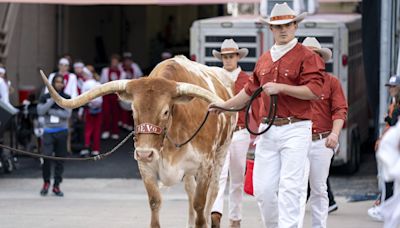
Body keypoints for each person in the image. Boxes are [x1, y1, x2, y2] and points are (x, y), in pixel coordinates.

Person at [209, 3, 325, 227]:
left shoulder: (307, 56)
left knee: (291, 188)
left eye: (288, 25)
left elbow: (314, 91)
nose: (283, 30)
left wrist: (282, 88)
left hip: (296, 128)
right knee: (263, 189)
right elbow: (248, 92)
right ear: (270, 29)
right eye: (278, 26)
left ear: (295, 26)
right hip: (268, 130)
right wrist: (223, 106)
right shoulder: (263, 59)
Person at [298, 37, 348, 228]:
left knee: (319, 188)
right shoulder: (294, 82)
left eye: (314, 55)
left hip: (322, 140)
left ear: (321, 58)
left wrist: (334, 135)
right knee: (297, 188)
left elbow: (340, 110)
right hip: (298, 139)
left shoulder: (332, 82)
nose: (310, 58)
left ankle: (319, 226)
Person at [209, 39, 251, 228]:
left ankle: (235, 218)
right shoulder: (215, 78)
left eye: (230, 56)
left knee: (237, 178)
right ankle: (215, 213)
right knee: (219, 174)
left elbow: (256, 106)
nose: (227, 60)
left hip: (241, 132)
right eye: (224, 57)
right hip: (220, 134)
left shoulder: (247, 79)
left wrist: (257, 133)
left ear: (237, 57)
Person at [368, 74, 400, 221]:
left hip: (395, 148)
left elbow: (394, 126)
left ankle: (385, 208)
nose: (391, 89)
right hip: (392, 145)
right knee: (390, 180)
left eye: (393, 86)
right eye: (390, 87)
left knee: (390, 180)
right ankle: (385, 206)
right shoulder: (394, 103)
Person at [37, 74, 71, 197]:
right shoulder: (45, 97)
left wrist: (50, 110)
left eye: (61, 82)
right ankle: (46, 183)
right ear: (52, 83)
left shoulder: (67, 97)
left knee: (60, 159)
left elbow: (67, 114)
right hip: (48, 132)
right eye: (56, 82)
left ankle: (56, 185)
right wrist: (53, 99)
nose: (59, 84)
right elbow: (40, 111)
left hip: (62, 131)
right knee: (46, 158)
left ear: (63, 84)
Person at [100, 54, 125, 140]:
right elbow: (102, 82)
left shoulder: (122, 73)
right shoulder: (105, 71)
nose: (114, 63)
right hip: (106, 95)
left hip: (116, 95)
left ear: (118, 63)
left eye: (116, 62)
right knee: (106, 113)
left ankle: (115, 131)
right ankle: (106, 130)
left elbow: (122, 86)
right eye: (113, 62)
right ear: (110, 62)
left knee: (115, 114)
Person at [80, 66, 103, 157]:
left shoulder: (85, 84)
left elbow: (82, 98)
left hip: (89, 110)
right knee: (97, 130)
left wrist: (80, 112)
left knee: (88, 129)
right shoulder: (98, 83)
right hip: (99, 110)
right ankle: (96, 149)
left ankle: (86, 148)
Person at [119, 52, 143, 131]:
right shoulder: (120, 67)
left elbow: (140, 76)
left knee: (134, 108)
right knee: (123, 108)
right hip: (123, 90)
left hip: (134, 91)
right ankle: (124, 124)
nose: (128, 62)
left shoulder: (135, 66)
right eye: (126, 60)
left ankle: (133, 125)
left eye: (129, 60)